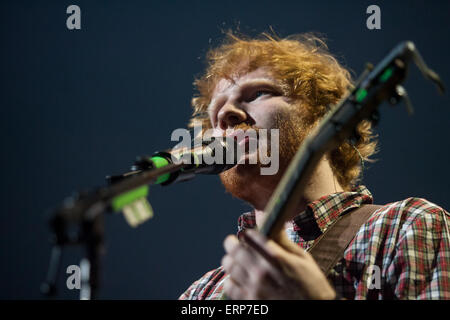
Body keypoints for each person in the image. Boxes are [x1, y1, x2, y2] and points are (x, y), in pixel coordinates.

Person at [178, 32, 450, 300]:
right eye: (215, 116)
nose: (226, 114)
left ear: (323, 115)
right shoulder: (201, 294)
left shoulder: (407, 227)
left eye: (258, 92)